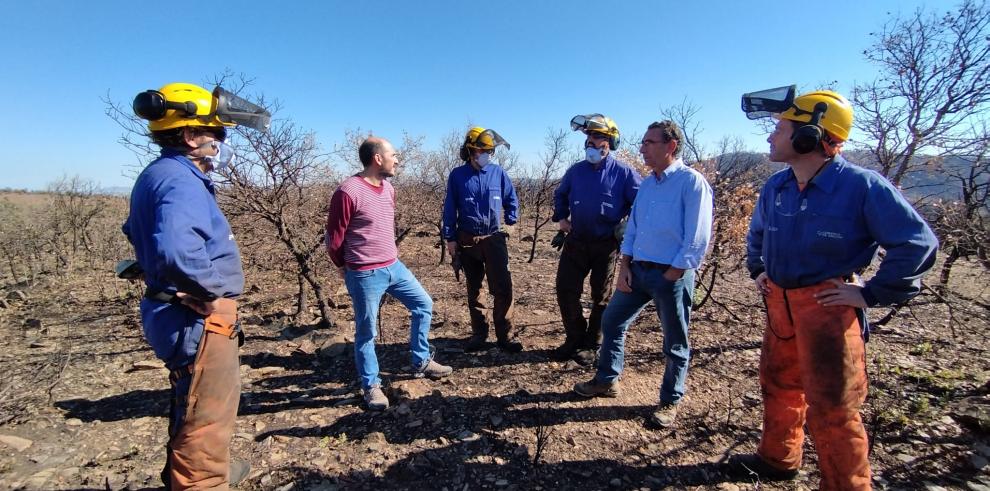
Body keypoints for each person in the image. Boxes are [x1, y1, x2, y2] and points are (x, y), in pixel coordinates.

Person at [735, 86, 938, 489]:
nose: (771, 137)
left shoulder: (862, 186)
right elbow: (757, 234)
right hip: (780, 306)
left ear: (809, 136)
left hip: (827, 308)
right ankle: (778, 459)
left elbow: (917, 243)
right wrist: (758, 268)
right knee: (778, 386)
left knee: (833, 406)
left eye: (780, 129)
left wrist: (870, 293)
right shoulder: (776, 186)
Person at [124, 82, 270, 489]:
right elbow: (176, 249)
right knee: (205, 416)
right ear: (190, 135)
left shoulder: (159, 174)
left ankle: (203, 471)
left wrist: (159, 270)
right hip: (196, 319)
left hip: (174, 313)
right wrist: (209, 292)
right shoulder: (180, 181)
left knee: (191, 404)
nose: (223, 144)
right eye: (217, 134)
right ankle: (203, 480)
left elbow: (136, 230)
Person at [573, 120, 713, 429]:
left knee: (674, 341)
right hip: (637, 271)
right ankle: (607, 379)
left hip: (670, 275)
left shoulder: (691, 183)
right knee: (612, 321)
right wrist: (625, 267)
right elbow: (633, 229)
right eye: (643, 143)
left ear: (670, 146)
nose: (642, 149)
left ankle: (670, 400)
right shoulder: (648, 184)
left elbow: (697, 238)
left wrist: (673, 274)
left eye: (649, 143)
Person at [326, 137, 453, 411]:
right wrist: (343, 266)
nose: (397, 160)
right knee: (367, 332)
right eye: (393, 155)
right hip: (364, 272)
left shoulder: (389, 189)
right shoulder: (348, 192)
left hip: (393, 265)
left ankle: (421, 360)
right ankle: (371, 385)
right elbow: (334, 239)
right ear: (377, 158)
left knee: (423, 304)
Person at [550, 114, 641, 364]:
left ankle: (593, 344)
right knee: (565, 290)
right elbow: (560, 194)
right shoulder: (576, 171)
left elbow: (642, 203)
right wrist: (562, 218)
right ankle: (574, 337)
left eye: (598, 138)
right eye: (589, 138)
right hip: (576, 241)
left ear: (609, 143)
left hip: (606, 244)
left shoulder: (624, 173)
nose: (592, 142)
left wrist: (628, 226)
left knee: (600, 297)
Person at [442, 127, 523, 353]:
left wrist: (511, 222)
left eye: (489, 151)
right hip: (467, 239)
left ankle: (505, 335)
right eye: (482, 150)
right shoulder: (457, 175)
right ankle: (479, 334)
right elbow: (450, 208)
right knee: (475, 288)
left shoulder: (498, 173)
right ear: (470, 151)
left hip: (494, 239)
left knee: (503, 287)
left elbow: (511, 199)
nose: (487, 154)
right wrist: (450, 238)